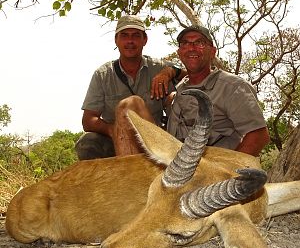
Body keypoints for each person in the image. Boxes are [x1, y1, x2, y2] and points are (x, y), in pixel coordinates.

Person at [75, 15, 183, 160]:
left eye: (136, 36)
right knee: (87, 143)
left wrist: (171, 71)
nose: (130, 41)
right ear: (116, 40)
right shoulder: (103, 75)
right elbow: (88, 120)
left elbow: (196, 73)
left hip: (154, 140)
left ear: (145, 40)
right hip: (115, 140)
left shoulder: (159, 68)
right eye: (124, 36)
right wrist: (113, 130)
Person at [167, 25, 270, 157]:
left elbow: (259, 136)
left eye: (200, 42)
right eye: (185, 43)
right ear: (179, 53)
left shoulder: (233, 86)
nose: (191, 48)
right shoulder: (180, 88)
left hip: (216, 168)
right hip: (176, 165)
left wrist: (228, 171)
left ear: (213, 52)